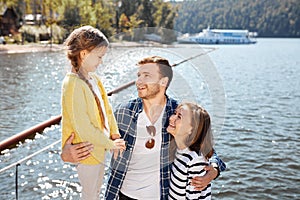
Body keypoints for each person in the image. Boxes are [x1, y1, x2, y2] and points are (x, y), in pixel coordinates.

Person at [61, 56, 226, 199]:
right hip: (121, 194)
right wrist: (67, 154)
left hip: (161, 195)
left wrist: (214, 170)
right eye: (138, 75)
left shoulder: (176, 115)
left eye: (146, 76)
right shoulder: (122, 113)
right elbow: (93, 137)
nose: (138, 81)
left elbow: (206, 150)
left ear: (163, 82)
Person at [61, 25, 125, 200]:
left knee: (97, 191)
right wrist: (111, 145)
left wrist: (114, 134)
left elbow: (107, 110)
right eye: (99, 56)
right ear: (83, 54)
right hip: (86, 152)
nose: (101, 61)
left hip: (99, 148)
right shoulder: (72, 85)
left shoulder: (95, 79)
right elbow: (83, 127)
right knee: (90, 194)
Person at [167, 102, 215, 200]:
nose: (171, 118)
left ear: (191, 129)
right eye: (175, 113)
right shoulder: (179, 152)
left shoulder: (195, 160)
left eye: (179, 117)